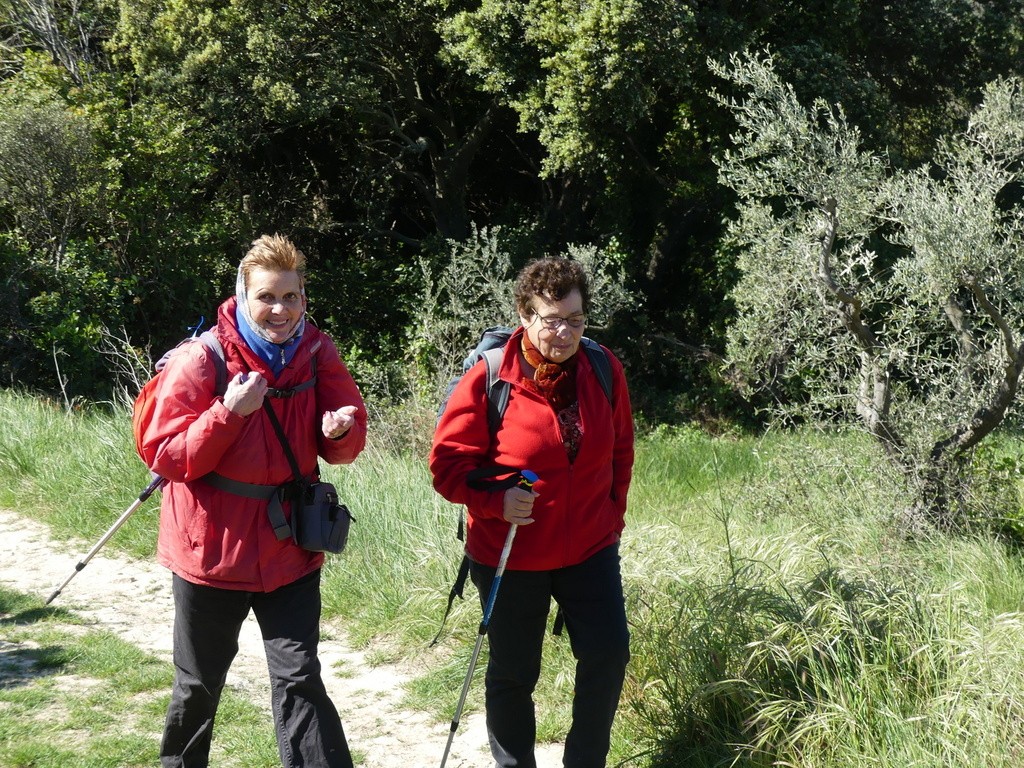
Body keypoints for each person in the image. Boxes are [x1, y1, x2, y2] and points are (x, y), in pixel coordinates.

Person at [139, 233, 367, 768]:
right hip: (210, 554)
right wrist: (228, 412)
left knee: (301, 680)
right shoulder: (203, 359)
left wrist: (337, 433)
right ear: (243, 296)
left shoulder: (315, 351)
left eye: (291, 297)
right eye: (267, 297)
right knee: (198, 686)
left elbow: (349, 442)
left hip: (289, 548)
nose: (280, 310)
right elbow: (167, 456)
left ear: (304, 298)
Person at [430, 257, 635, 768]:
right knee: (514, 673)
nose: (564, 332)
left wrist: (613, 517)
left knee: (608, 657)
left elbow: (621, 453)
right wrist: (496, 500)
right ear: (525, 315)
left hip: (589, 546)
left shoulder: (603, 369)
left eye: (575, 319)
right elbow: (447, 466)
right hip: (510, 550)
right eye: (551, 319)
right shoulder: (491, 376)